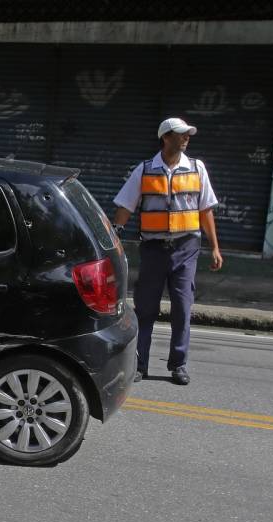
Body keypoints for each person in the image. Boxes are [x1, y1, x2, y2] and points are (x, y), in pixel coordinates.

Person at [112, 117, 223, 386]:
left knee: (182, 308)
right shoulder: (145, 169)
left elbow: (205, 209)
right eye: (181, 134)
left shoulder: (197, 168)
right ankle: (140, 364)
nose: (186, 138)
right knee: (146, 309)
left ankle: (178, 365)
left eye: (187, 135)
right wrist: (115, 234)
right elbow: (125, 206)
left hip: (187, 248)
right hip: (153, 249)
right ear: (165, 137)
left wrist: (215, 247)